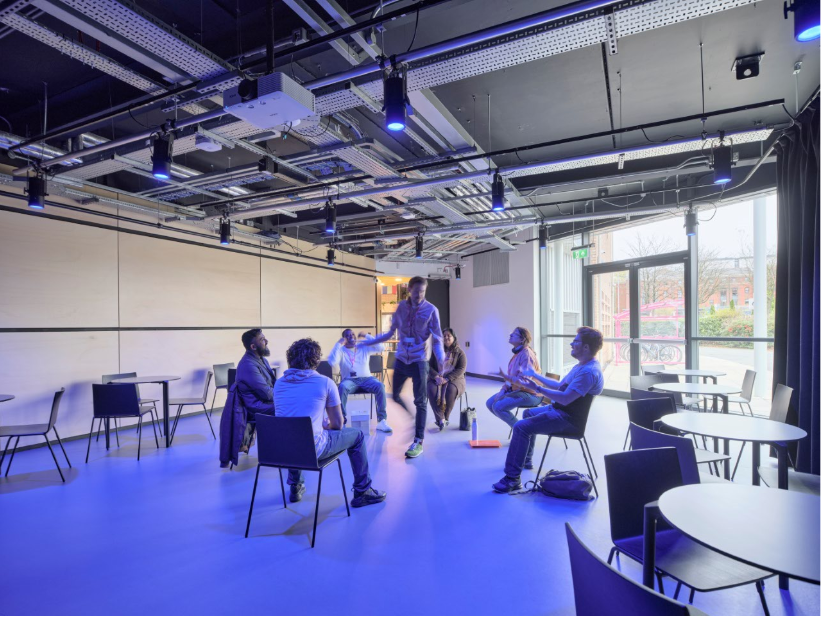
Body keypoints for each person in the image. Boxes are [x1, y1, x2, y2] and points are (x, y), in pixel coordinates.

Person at [274, 337, 386, 507]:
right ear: (315, 360)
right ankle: (363, 491)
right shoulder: (325, 382)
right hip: (314, 451)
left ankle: (295, 485)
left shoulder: (279, 384)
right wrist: (324, 425)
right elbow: (338, 425)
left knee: (293, 430)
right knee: (357, 436)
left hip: (282, 451)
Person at [492, 327, 605, 493]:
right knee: (527, 413)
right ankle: (526, 460)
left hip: (568, 419)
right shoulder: (581, 366)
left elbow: (565, 397)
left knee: (520, 427)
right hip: (560, 410)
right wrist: (535, 375)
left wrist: (536, 387)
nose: (572, 344)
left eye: (576, 341)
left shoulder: (588, 372)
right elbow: (559, 385)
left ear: (586, 347)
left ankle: (512, 479)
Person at [367, 276, 445, 459]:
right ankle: (413, 419)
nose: (419, 295)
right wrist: (370, 342)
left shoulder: (432, 310)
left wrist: (440, 356)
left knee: (420, 401)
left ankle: (418, 440)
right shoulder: (401, 307)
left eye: (423, 292)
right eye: (416, 291)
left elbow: (438, 337)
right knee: (394, 395)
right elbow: (390, 332)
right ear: (409, 289)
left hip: (420, 360)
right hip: (402, 358)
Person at [328, 329, 392, 433]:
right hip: (350, 380)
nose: (351, 336)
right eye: (347, 335)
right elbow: (332, 361)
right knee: (342, 387)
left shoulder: (363, 347)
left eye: (352, 334)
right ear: (344, 338)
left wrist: (366, 335)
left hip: (367, 379)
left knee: (380, 386)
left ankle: (382, 421)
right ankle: (342, 420)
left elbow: (381, 347)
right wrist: (338, 344)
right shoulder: (341, 351)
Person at [486, 327, 543, 429]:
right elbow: (511, 379)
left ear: (522, 339)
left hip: (531, 394)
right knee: (490, 403)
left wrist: (505, 392)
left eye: (514, 334)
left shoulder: (527, 354)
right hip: (518, 389)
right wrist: (503, 390)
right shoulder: (517, 354)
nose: (510, 335)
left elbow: (524, 381)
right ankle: (519, 428)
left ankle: (521, 431)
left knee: (498, 407)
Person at [235, 328, 277, 454]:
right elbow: (268, 394)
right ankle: (287, 449)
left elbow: (272, 386)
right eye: (262, 340)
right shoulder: (248, 365)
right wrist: (285, 396)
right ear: (253, 346)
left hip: (263, 403)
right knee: (289, 407)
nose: (266, 341)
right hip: (255, 407)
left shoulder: (262, 359)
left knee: (292, 403)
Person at [427, 328, 467, 431]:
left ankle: (445, 417)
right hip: (437, 377)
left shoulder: (460, 353)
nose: (446, 337)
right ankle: (441, 419)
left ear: (454, 337)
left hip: (455, 378)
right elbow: (429, 366)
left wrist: (447, 378)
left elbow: (461, 369)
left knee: (451, 390)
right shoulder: (436, 351)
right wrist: (436, 376)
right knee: (431, 389)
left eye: (449, 335)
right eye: (444, 336)